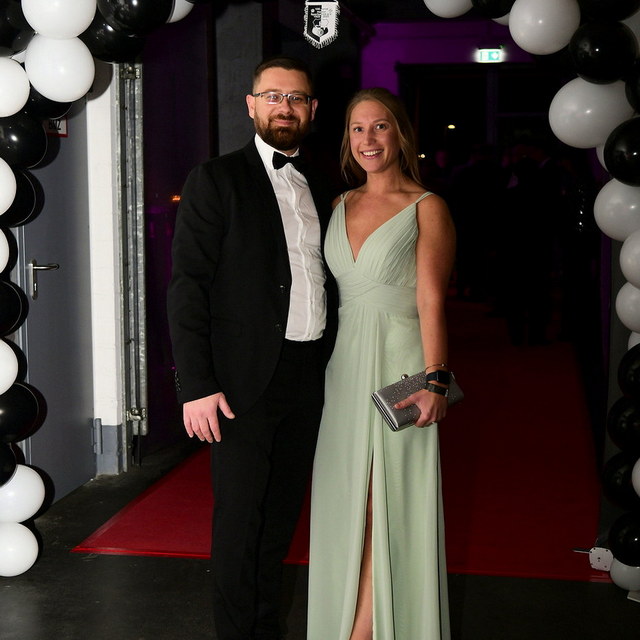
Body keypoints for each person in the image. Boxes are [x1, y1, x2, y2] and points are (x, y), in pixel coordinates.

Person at [167, 55, 336, 640]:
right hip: (241, 382)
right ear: (251, 105)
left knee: (280, 519)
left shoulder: (324, 184)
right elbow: (188, 286)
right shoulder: (215, 179)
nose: (284, 107)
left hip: (310, 374)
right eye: (273, 96)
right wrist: (196, 385)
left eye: (296, 98)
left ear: (312, 109)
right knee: (240, 524)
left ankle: (264, 629)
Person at [307, 88, 456, 640]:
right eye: (357, 128)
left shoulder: (427, 206)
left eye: (380, 126)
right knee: (350, 499)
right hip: (344, 368)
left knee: (385, 500)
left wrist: (436, 381)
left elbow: (431, 300)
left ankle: (361, 633)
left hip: (400, 368)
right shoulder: (338, 204)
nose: (368, 139)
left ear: (401, 135)